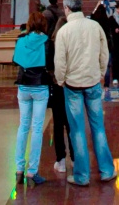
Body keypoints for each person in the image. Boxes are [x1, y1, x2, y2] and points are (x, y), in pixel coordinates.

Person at [54, 0, 116, 186]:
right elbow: (104, 53)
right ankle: (106, 170)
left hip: (72, 85)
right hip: (93, 82)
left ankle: (82, 175)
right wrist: (100, 73)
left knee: (78, 130)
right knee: (98, 127)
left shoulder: (64, 31)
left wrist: (61, 80)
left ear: (66, 8)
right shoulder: (95, 26)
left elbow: (60, 61)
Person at [13, 11, 52, 187]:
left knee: (23, 126)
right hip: (40, 86)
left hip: (23, 86)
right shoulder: (47, 42)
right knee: (37, 129)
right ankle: (32, 171)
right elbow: (50, 65)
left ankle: (19, 169)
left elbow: (16, 61)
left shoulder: (21, 40)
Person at [51, 17, 74, 173]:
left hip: (57, 86)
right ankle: (74, 157)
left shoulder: (51, 44)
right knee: (71, 123)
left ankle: (60, 160)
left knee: (58, 124)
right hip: (71, 85)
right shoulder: (72, 43)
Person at [90, 4, 113, 88]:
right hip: (106, 45)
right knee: (107, 64)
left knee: (96, 64)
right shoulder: (106, 20)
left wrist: (95, 6)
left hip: (96, 45)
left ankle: (96, 83)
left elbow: (91, 15)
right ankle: (106, 84)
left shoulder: (94, 21)